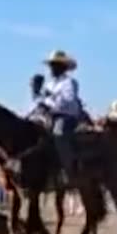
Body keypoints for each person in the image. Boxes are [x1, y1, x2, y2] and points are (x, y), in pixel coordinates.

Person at [33, 50, 83, 184]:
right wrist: (36, 93)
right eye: (51, 65)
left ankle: (69, 170)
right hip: (49, 116)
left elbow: (68, 101)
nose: (51, 68)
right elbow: (40, 101)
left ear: (63, 67)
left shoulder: (69, 82)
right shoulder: (50, 84)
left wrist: (49, 103)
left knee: (59, 134)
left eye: (54, 65)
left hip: (66, 117)